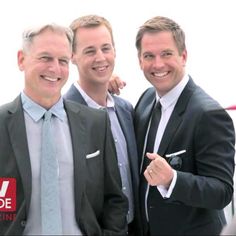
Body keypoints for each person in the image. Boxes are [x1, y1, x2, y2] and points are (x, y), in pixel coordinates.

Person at [110, 16, 235, 235]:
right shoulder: (146, 99)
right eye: (149, 56)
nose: (158, 64)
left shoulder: (209, 114)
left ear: (183, 56)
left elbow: (222, 192)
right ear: (140, 60)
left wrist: (172, 179)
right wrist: (103, 87)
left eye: (166, 54)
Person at [0, 23, 128, 235]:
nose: (55, 68)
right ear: (21, 60)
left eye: (62, 61)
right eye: (45, 58)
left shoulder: (96, 122)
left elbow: (114, 198)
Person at [64, 15, 142, 236]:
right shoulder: (62, 115)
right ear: (72, 56)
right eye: (90, 51)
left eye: (106, 48)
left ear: (115, 51)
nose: (101, 58)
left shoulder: (126, 110)